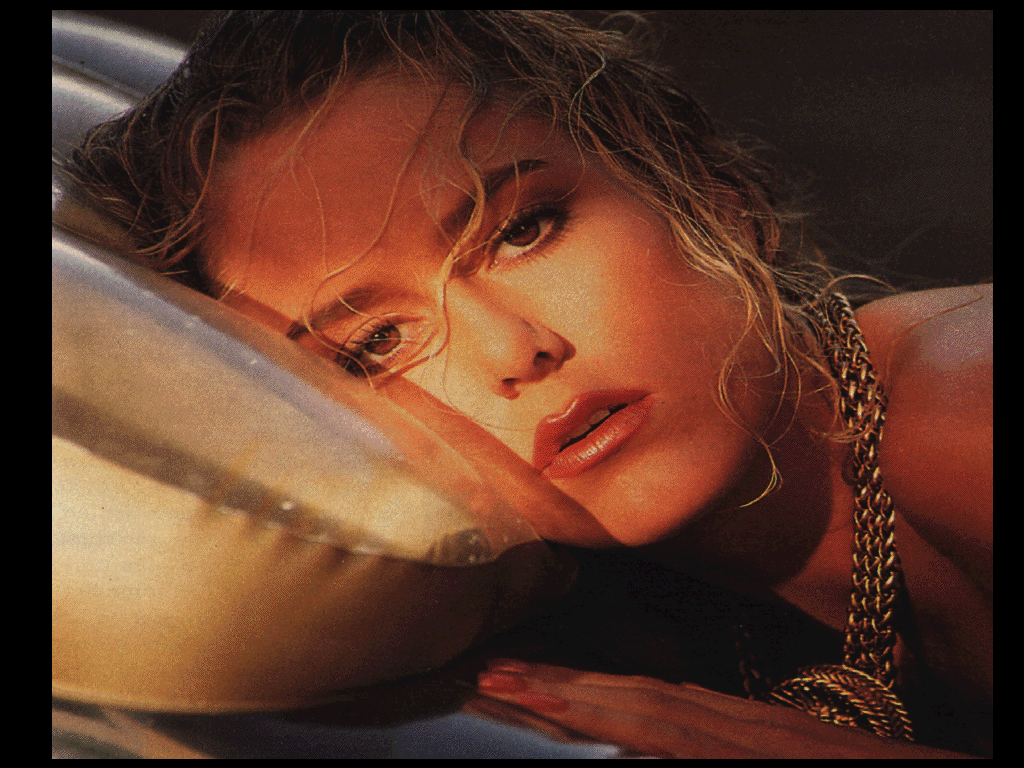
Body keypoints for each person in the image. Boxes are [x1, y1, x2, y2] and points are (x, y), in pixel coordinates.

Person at [65, 11, 991, 757]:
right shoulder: (610, 610)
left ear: (710, 194)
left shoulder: (965, 411)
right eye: (378, 342)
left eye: (523, 230)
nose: (515, 351)